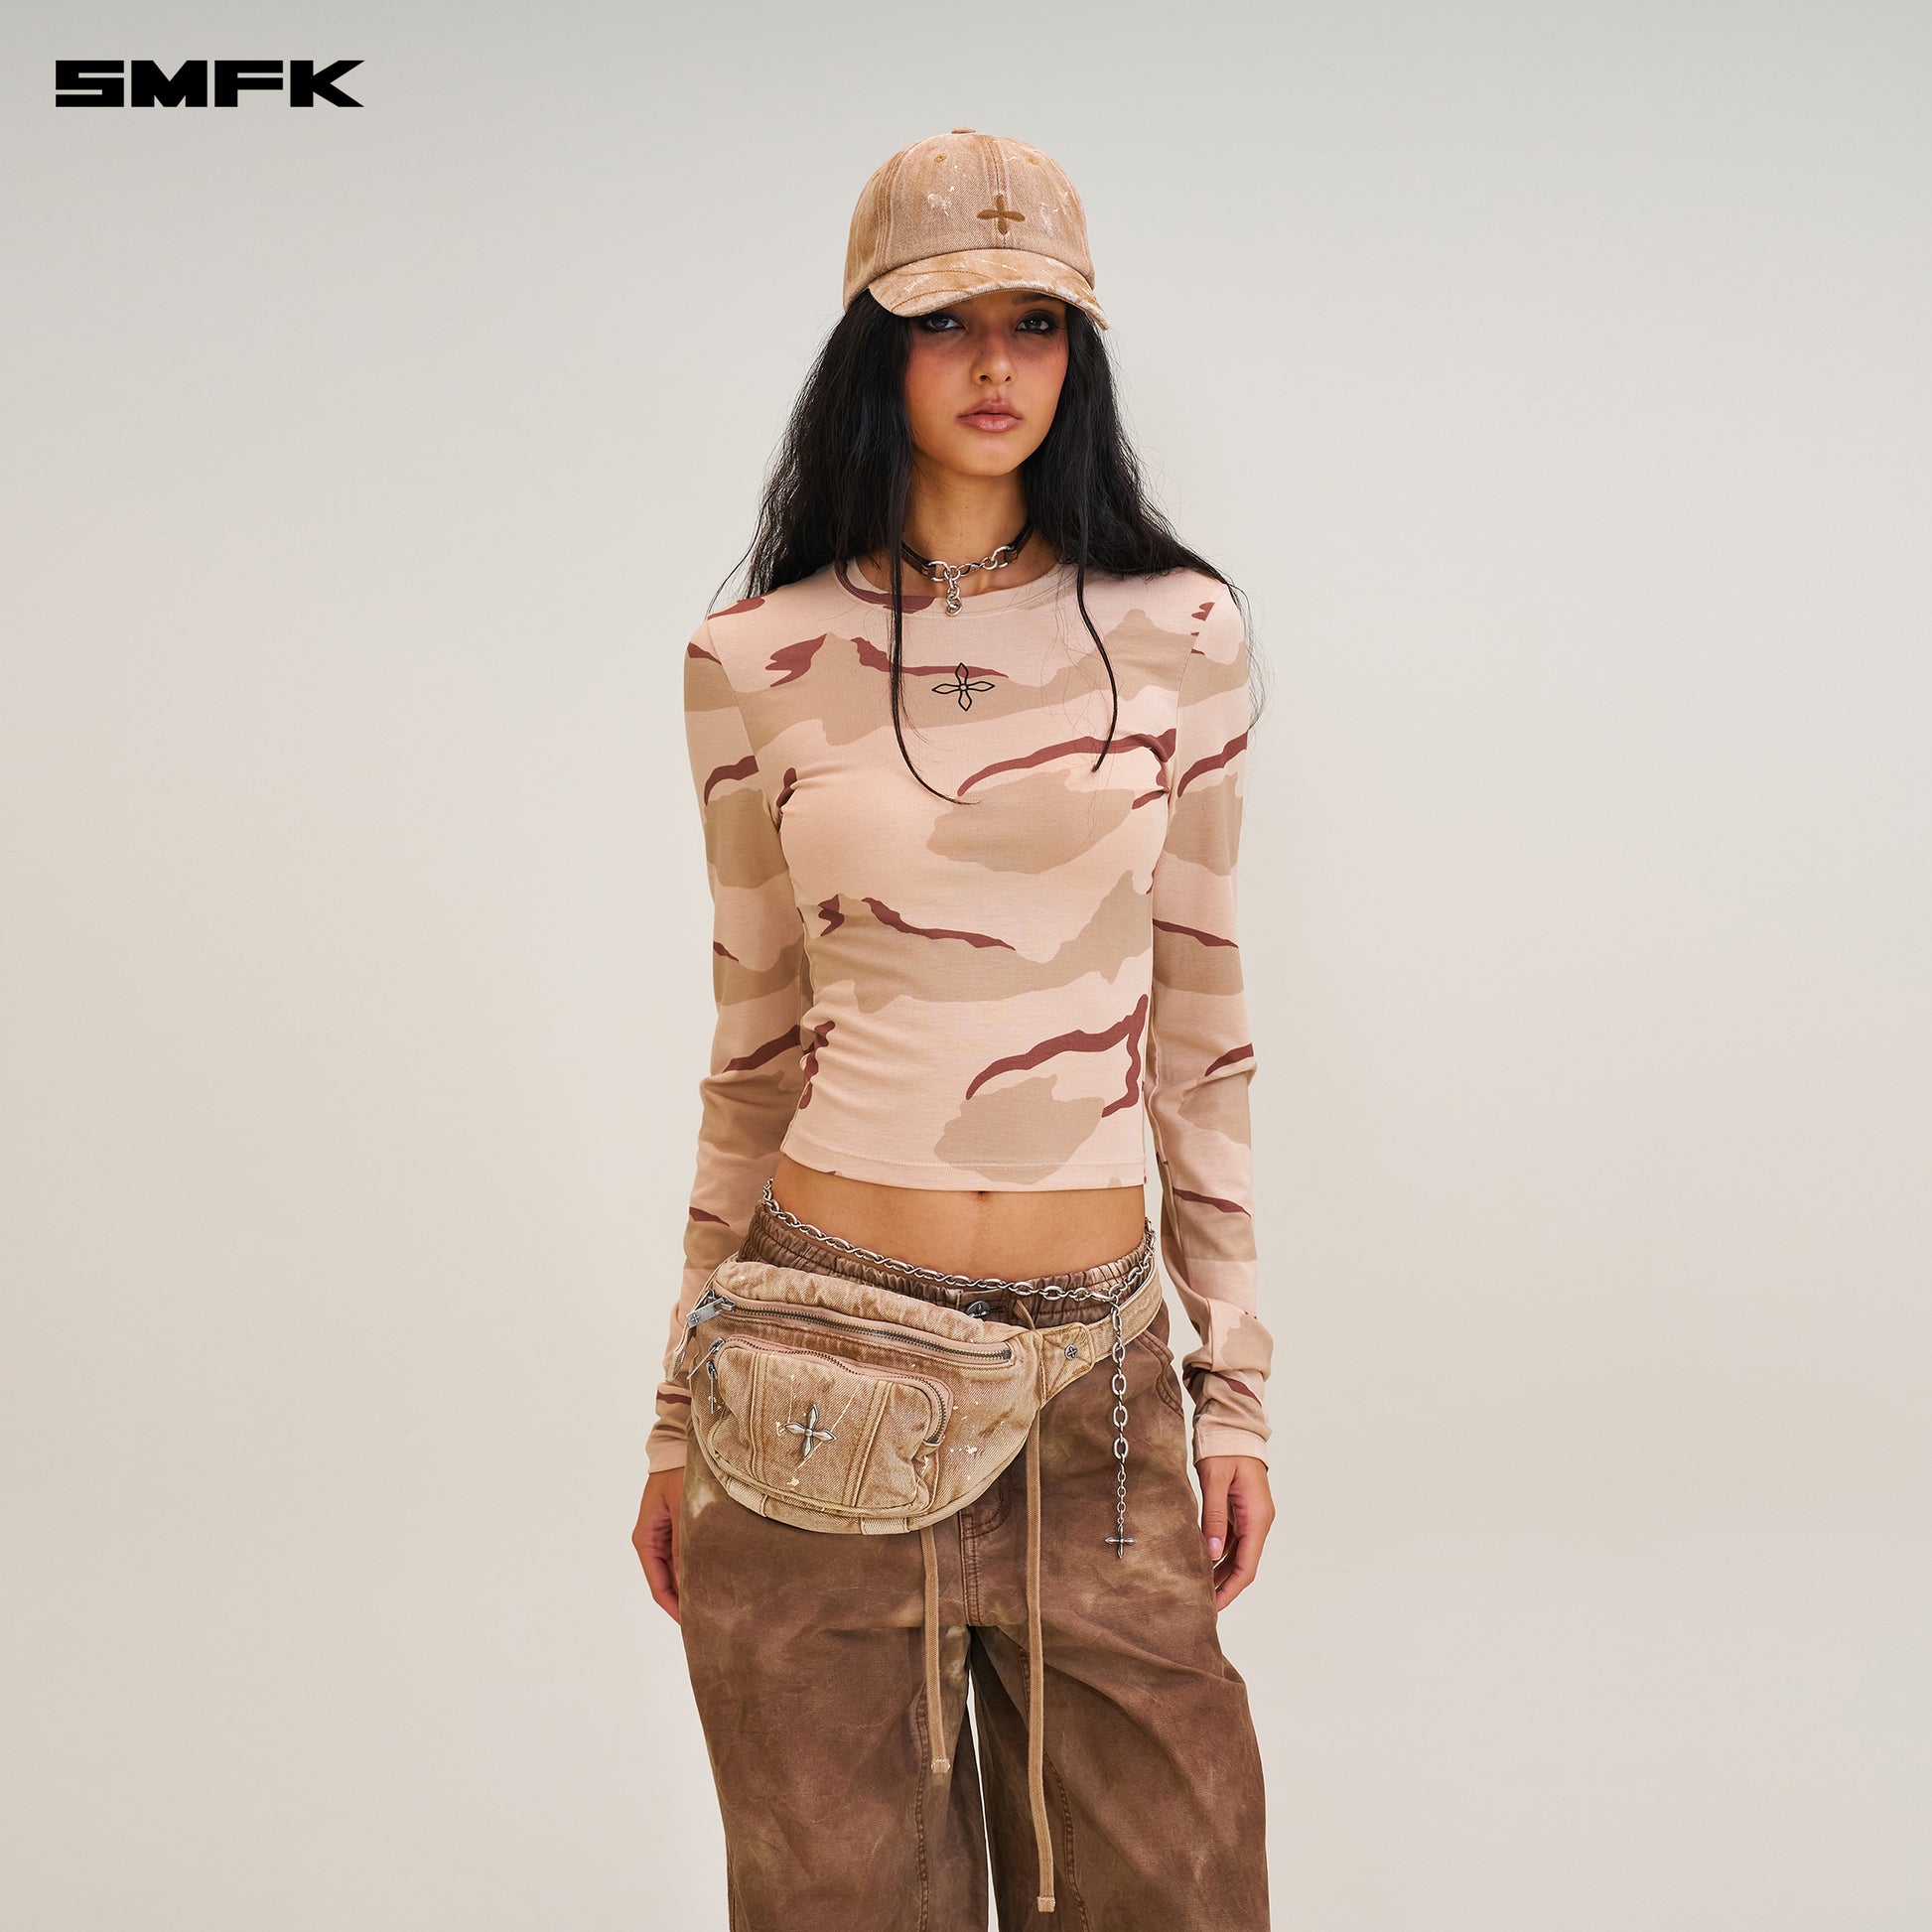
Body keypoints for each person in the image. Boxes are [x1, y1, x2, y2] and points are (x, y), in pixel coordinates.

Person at [631, 128, 1276, 1930]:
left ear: (1078, 353)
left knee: (1184, 1892)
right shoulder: (752, 655)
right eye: (946, 323)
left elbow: (1202, 1030)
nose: (996, 365)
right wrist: (674, 1416)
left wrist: (1236, 1388)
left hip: (1102, 1396)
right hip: (813, 1380)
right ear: (874, 347)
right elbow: (751, 1051)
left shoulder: (1179, 631)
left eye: (1035, 324)